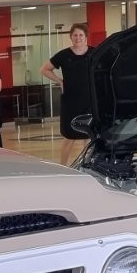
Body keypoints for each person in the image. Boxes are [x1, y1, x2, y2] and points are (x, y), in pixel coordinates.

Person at [41, 23, 93, 166]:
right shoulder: (64, 55)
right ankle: (63, 167)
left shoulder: (94, 53)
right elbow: (45, 69)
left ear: (86, 36)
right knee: (69, 136)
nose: (78, 38)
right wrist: (59, 81)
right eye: (75, 35)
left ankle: (85, 166)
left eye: (81, 35)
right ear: (70, 37)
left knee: (87, 136)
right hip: (70, 101)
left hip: (89, 100)